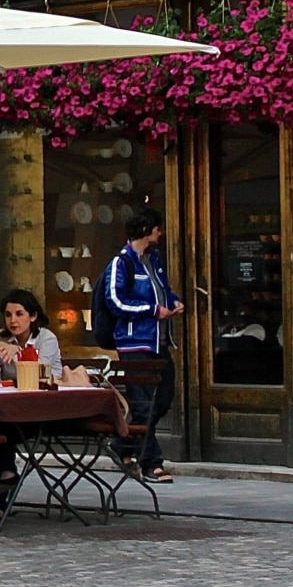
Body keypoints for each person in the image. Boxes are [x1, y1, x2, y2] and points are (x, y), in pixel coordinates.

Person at [106, 207, 182, 483]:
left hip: (159, 341)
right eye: (157, 229)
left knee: (163, 399)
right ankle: (151, 463)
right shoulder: (122, 262)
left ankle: (123, 444)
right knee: (143, 405)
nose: (160, 233)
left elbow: (162, 289)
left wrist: (172, 301)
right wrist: (153, 311)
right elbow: (116, 301)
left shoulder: (154, 260)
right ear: (145, 230)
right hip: (135, 343)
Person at [0, 288, 64, 523]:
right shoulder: (3, 338)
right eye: (8, 315)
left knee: (2, 426)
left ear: (33, 316)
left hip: (47, 410)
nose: (13, 321)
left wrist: (19, 352)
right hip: (13, 410)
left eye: (19, 314)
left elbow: (42, 370)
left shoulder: (46, 338)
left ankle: (0, 494)